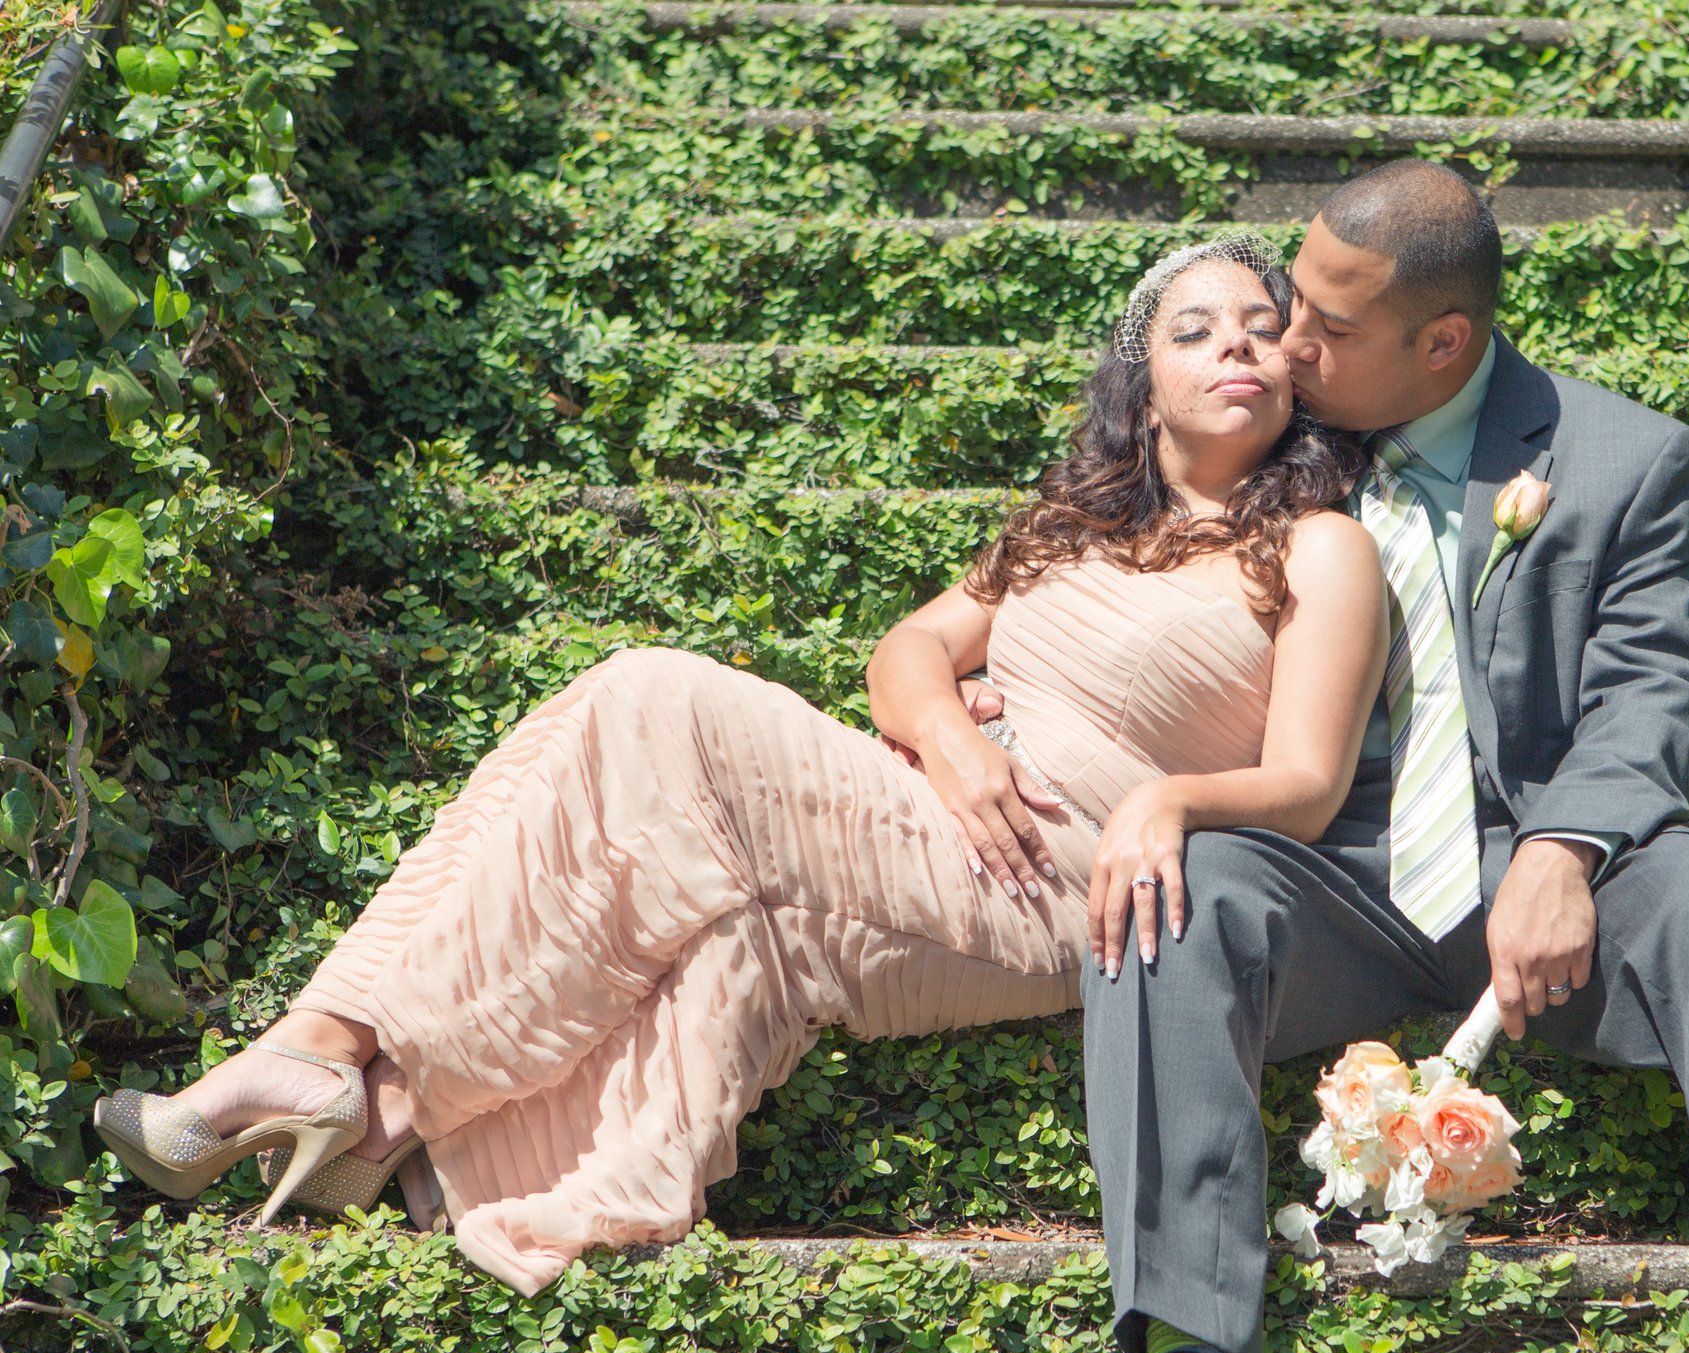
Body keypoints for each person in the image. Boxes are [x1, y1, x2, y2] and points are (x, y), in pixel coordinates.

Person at [94, 239, 1388, 1298]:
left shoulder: (1319, 547)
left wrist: (1165, 798)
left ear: (1297, 377)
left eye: (1262, 329)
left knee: (650, 698)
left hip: (1067, 877)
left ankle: (324, 1048)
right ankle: (383, 1127)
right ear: (1143, 387)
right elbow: (910, 650)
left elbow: (1310, 786)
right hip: (946, 816)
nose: (1237, 346)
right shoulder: (1072, 527)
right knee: (727, 915)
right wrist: (948, 738)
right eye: (1195, 329)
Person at [1063, 162, 1689, 1353]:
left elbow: (1659, 690)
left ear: (1443, 345)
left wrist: (1569, 845)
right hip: (1328, 875)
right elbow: (1100, 569)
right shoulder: (1271, 433)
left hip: (1535, 866)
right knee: (1174, 903)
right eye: (1289, 303)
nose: (1284, 343)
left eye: (1326, 327)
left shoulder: (1623, 461)